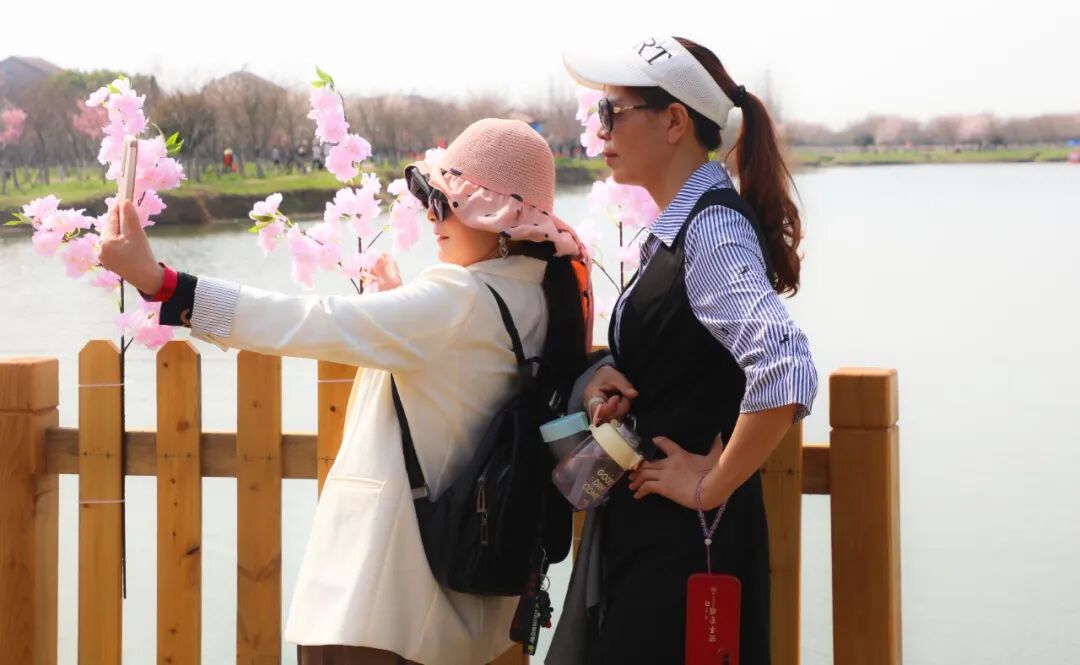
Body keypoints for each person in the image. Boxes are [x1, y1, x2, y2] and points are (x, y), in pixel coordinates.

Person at [97, 119, 592, 665]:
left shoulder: (459, 297)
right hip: (464, 608)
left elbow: (314, 321)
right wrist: (399, 304)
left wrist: (162, 283)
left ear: (497, 219)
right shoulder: (544, 297)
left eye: (445, 202)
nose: (432, 216)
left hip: (380, 603)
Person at [548, 36, 819, 664]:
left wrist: (712, 485)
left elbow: (786, 366)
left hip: (686, 552)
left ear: (674, 122)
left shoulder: (712, 229)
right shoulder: (683, 226)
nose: (600, 128)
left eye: (613, 111)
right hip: (662, 541)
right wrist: (612, 376)